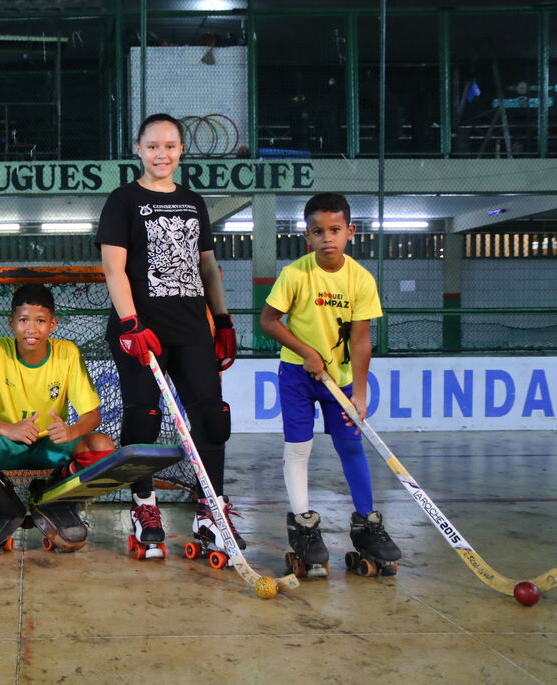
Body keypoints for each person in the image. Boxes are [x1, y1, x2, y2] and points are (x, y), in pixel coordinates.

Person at [95, 112, 240, 559]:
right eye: (153, 145)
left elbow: (207, 267)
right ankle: (144, 507)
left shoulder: (194, 201)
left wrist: (224, 318)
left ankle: (209, 510)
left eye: (170, 145)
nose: (162, 153)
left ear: (181, 151)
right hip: (140, 328)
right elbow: (113, 268)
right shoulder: (122, 200)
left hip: (192, 327)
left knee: (212, 418)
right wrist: (132, 324)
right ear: (138, 149)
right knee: (146, 417)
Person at [259, 192, 401, 577]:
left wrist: (359, 391)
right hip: (297, 377)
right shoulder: (295, 274)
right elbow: (269, 321)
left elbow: (360, 340)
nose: (327, 238)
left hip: (337, 381)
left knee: (350, 445)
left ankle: (367, 524)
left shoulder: (361, 279)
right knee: (299, 448)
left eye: (335, 229)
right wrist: (305, 350)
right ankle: (304, 526)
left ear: (350, 231)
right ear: (307, 236)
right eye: (318, 231)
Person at [0, 284, 115, 551]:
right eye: (23, 320)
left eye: (40, 321)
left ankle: (56, 497)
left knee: (103, 447)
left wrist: (72, 432)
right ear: (11, 323)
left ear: (53, 324)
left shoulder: (67, 352)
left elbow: (92, 414)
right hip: (7, 443)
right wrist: (8, 429)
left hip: (49, 444)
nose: (32, 328)